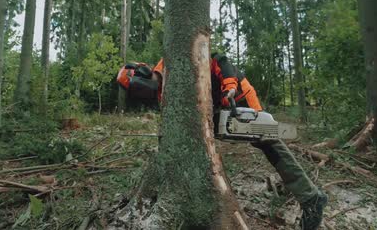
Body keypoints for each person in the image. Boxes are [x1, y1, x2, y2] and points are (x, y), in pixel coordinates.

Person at [117, 53, 327, 230]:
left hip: (238, 97)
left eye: (138, 86)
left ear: (143, 72)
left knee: (269, 140)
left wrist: (229, 86)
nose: (142, 92)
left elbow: (220, 60)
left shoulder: (174, 60)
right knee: (266, 144)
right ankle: (305, 193)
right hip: (216, 108)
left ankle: (311, 198)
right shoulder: (163, 93)